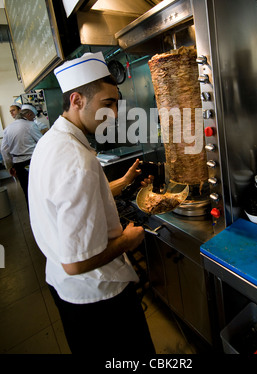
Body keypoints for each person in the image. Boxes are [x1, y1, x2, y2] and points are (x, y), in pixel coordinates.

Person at [28, 52, 156, 356]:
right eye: (106, 104)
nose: (113, 113)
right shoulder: (77, 161)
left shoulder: (52, 141)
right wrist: (127, 241)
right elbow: (76, 263)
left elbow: (69, 200)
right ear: (77, 100)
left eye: (116, 103)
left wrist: (121, 183)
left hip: (66, 292)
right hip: (99, 298)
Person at [1, 108, 42, 205]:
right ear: (28, 115)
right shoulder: (30, 125)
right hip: (32, 161)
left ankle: (32, 216)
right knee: (39, 190)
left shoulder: (8, 128)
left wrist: (10, 166)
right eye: (33, 116)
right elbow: (41, 142)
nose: (33, 119)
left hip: (18, 164)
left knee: (27, 191)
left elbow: (4, 150)